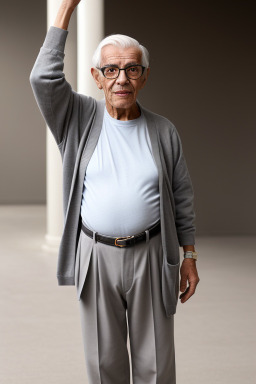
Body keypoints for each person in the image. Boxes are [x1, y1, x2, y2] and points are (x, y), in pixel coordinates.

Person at [29, 1, 200, 383]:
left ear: (144, 76)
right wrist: (65, 12)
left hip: (153, 253)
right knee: (103, 361)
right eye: (111, 69)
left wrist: (188, 255)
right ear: (97, 76)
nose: (121, 78)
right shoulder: (76, 118)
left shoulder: (163, 130)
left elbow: (182, 196)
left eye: (131, 69)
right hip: (96, 254)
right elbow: (43, 79)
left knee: (155, 361)